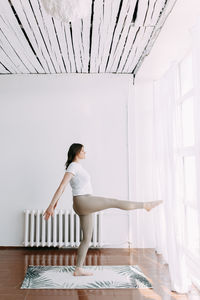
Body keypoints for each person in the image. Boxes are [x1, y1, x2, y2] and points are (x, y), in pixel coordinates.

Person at [43, 143, 163, 276]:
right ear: (77, 152)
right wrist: (51, 206)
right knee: (113, 202)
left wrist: (54, 205)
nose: (85, 153)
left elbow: (64, 187)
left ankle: (78, 269)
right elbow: (62, 187)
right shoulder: (73, 166)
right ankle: (145, 205)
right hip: (83, 201)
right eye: (83, 151)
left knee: (87, 238)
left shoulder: (77, 166)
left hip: (83, 203)